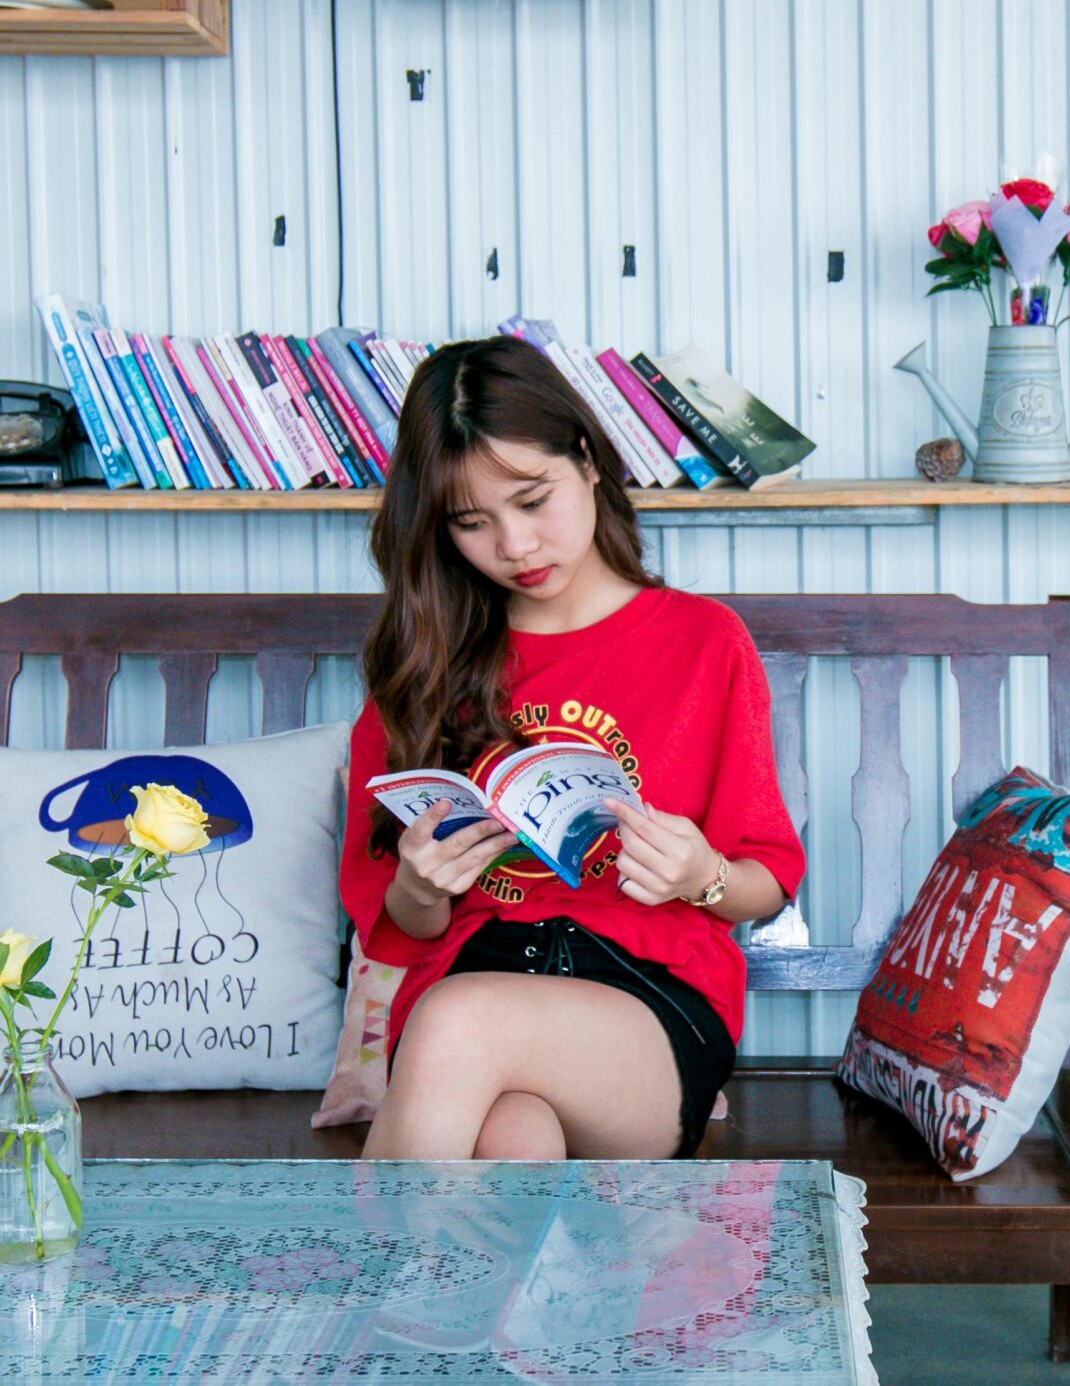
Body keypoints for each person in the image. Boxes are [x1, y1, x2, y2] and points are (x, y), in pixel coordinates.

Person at [339, 336, 806, 1160]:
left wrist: (703, 876)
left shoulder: (702, 642)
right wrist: (419, 883)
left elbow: (763, 884)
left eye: (532, 499)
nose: (515, 546)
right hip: (474, 976)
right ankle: (511, 1295)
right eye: (472, 523)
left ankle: (357, 1287)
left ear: (587, 460)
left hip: (647, 1000)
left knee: (459, 1021)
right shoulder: (423, 665)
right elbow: (401, 928)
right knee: (513, 1140)